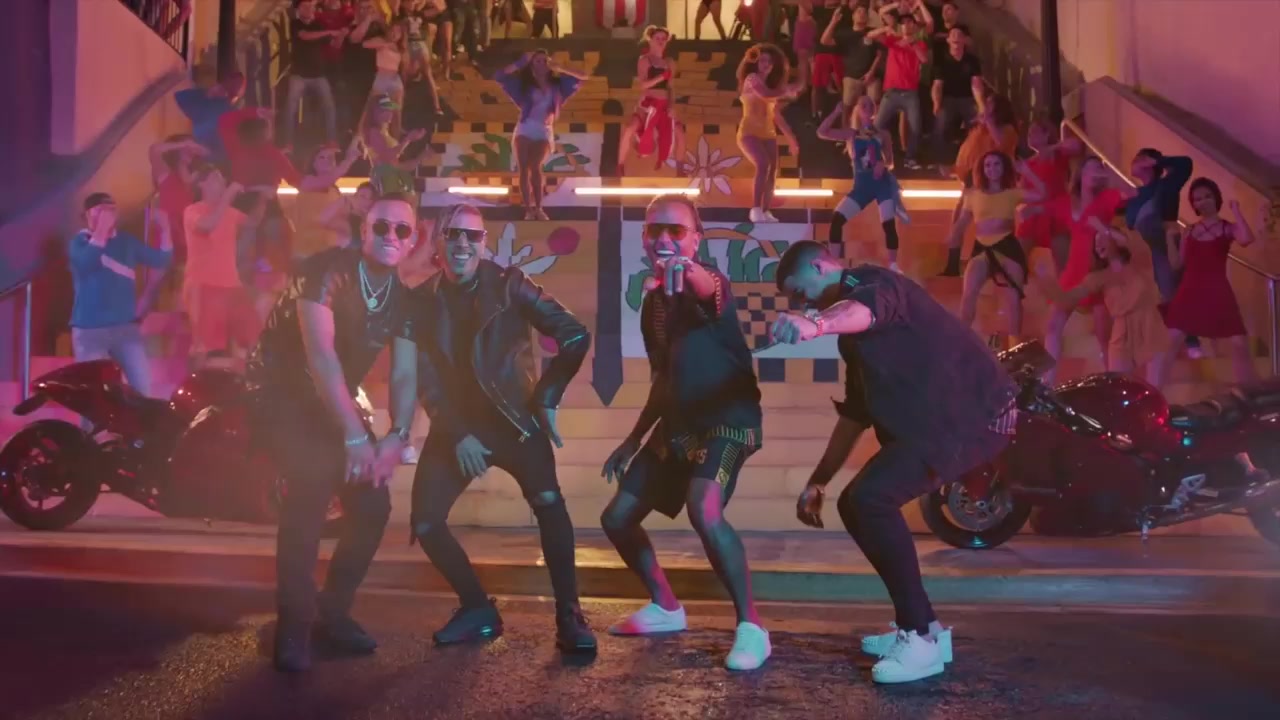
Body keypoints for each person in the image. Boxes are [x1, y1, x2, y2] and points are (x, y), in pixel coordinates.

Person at [771, 240, 1017, 684]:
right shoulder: (852, 342)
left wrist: (814, 324)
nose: (800, 302)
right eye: (794, 300)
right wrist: (818, 481)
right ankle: (926, 629)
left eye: (799, 290)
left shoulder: (875, 283)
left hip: (974, 417)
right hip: (940, 425)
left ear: (821, 265)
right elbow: (855, 414)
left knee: (871, 499)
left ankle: (919, 638)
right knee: (855, 503)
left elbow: (863, 310)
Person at [410, 202, 596, 653]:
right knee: (426, 522)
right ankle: (477, 609)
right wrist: (457, 433)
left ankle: (569, 614)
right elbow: (425, 376)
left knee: (549, 504)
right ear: (437, 241)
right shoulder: (421, 299)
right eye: (453, 234)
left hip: (515, 420)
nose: (462, 244)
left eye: (472, 236)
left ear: (484, 243)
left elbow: (574, 335)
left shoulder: (511, 284)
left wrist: (547, 397)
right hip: (458, 427)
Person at [246, 191, 420, 673]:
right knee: (313, 482)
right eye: (380, 226)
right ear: (364, 230)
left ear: (412, 241)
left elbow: (405, 374)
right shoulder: (325, 270)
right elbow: (320, 356)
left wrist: (396, 435)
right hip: (279, 389)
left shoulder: (405, 300)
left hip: (334, 397)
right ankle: (294, 625)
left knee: (373, 506)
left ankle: (332, 610)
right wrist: (354, 436)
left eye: (401, 230)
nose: (390, 235)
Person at [600, 194, 770, 671]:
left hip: (728, 421)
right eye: (654, 229)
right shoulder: (652, 304)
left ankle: (753, 627)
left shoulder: (711, 281)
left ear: (696, 239)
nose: (664, 238)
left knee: (704, 508)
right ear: (643, 237)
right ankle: (667, 607)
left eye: (676, 230)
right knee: (617, 518)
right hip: (678, 424)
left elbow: (703, 284)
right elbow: (663, 379)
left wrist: (684, 269)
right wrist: (633, 439)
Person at [1156, 178, 1262, 384]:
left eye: (1207, 196)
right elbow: (1177, 264)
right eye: (1197, 199)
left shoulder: (1226, 227)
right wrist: (1169, 239)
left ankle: (1249, 392)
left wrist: (1236, 211)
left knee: (1239, 344)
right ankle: (1155, 391)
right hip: (1190, 290)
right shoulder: (1189, 230)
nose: (1203, 201)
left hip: (1217, 290)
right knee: (1170, 342)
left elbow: (1246, 239)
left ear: (1215, 198)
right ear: (1193, 205)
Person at [1034, 225, 1168, 387]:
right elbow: (1066, 299)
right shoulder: (1099, 278)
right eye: (1095, 242)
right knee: (1116, 387)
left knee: (1154, 388)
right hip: (1121, 334)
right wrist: (1045, 280)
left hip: (1150, 326)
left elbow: (1131, 242)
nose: (1098, 245)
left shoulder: (1140, 259)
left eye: (1102, 238)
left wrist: (1104, 228)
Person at [68, 193, 173, 398]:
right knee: (93, 394)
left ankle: (138, 420)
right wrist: (101, 231)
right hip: (89, 332)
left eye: (111, 211)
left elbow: (161, 260)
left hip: (125, 330)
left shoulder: (127, 242)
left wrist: (165, 228)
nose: (106, 215)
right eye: (99, 210)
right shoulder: (79, 242)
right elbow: (86, 263)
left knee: (142, 391)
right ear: (86, 215)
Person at [1043, 156, 1134, 382]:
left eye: (1099, 169)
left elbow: (1132, 193)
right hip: (1073, 269)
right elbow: (1047, 213)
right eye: (1092, 168)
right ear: (1081, 174)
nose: (1096, 172)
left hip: (1097, 268)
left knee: (1104, 334)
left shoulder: (1106, 197)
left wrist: (1110, 175)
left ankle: (1111, 382)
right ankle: (1047, 381)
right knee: (1053, 325)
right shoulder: (1067, 201)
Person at [944, 151, 1046, 345]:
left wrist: (1027, 172)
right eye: (988, 165)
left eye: (996, 164)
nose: (992, 169)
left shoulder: (1012, 192)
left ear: (1004, 167)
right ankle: (961, 342)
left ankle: (1015, 347)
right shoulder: (973, 194)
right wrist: (953, 235)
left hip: (1007, 246)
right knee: (968, 294)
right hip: (982, 247)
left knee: (1013, 299)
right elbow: (963, 221)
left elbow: (1042, 194)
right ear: (982, 169)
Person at [817, 96, 909, 269]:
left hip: (881, 183)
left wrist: (883, 164)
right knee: (837, 219)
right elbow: (822, 132)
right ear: (857, 110)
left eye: (870, 105)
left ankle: (893, 266)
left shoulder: (883, 134)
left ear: (875, 110)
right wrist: (836, 113)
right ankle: (834, 262)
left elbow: (890, 161)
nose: (867, 107)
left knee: (888, 223)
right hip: (862, 186)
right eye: (863, 105)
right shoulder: (852, 134)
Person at [494, 51, 587, 220]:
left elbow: (583, 76)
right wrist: (520, 62)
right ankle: (528, 209)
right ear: (531, 65)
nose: (542, 64)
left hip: (544, 129)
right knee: (523, 167)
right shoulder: (524, 85)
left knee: (536, 165)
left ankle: (539, 207)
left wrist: (561, 67)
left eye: (545, 60)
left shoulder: (557, 85)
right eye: (538, 61)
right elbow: (499, 76)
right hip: (525, 127)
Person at [1125, 148, 1197, 354]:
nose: (1134, 162)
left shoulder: (1165, 185)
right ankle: (1161, 343)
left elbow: (1185, 163)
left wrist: (1158, 161)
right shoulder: (1135, 195)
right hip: (1143, 251)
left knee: (1172, 292)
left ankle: (1190, 341)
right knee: (1149, 298)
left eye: (1139, 159)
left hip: (1164, 246)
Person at [938, 92, 1018, 276]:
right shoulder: (979, 130)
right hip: (972, 181)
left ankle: (995, 263)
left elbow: (1002, 146)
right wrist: (954, 169)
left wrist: (988, 122)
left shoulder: (1006, 129)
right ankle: (952, 265)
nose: (985, 107)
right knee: (959, 220)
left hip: (993, 184)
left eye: (989, 104)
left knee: (991, 224)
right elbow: (969, 154)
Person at [736, 43, 803, 223]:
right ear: (757, 63)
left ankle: (766, 210)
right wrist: (787, 90)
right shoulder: (751, 79)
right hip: (749, 131)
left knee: (773, 170)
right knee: (763, 163)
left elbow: (776, 115)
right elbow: (765, 95)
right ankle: (756, 208)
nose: (766, 64)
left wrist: (791, 138)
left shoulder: (772, 87)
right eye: (763, 60)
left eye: (769, 62)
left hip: (768, 133)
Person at [866, 5, 930, 171]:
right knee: (876, 126)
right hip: (892, 92)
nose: (906, 25)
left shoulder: (920, 44)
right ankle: (871, 157)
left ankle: (910, 158)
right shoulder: (893, 41)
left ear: (914, 26)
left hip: (910, 93)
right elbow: (870, 35)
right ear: (900, 26)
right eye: (903, 23)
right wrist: (885, 28)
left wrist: (912, 43)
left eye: (909, 22)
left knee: (916, 128)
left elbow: (924, 59)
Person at [618, 26, 687, 178]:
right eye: (658, 38)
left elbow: (671, 87)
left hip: (664, 105)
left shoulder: (669, 62)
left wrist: (672, 106)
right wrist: (662, 77)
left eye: (663, 39)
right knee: (630, 128)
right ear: (650, 40)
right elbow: (643, 85)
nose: (661, 41)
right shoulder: (645, 60)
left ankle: (680, 170)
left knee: (679, 131)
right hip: (648, 104)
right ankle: (620, 165)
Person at [1015, 119, 1081, 273]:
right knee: (1016, 261)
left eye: (1035, 132)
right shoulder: (1028, 164)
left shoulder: (1058, 155)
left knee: (1063, 267)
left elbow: (1076, 145)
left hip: (1056, 213)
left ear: (1047, 135)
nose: (1030, 135)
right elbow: (1023, 192)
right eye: (1029, 133)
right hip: (1033, 215)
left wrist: (1050, 148)